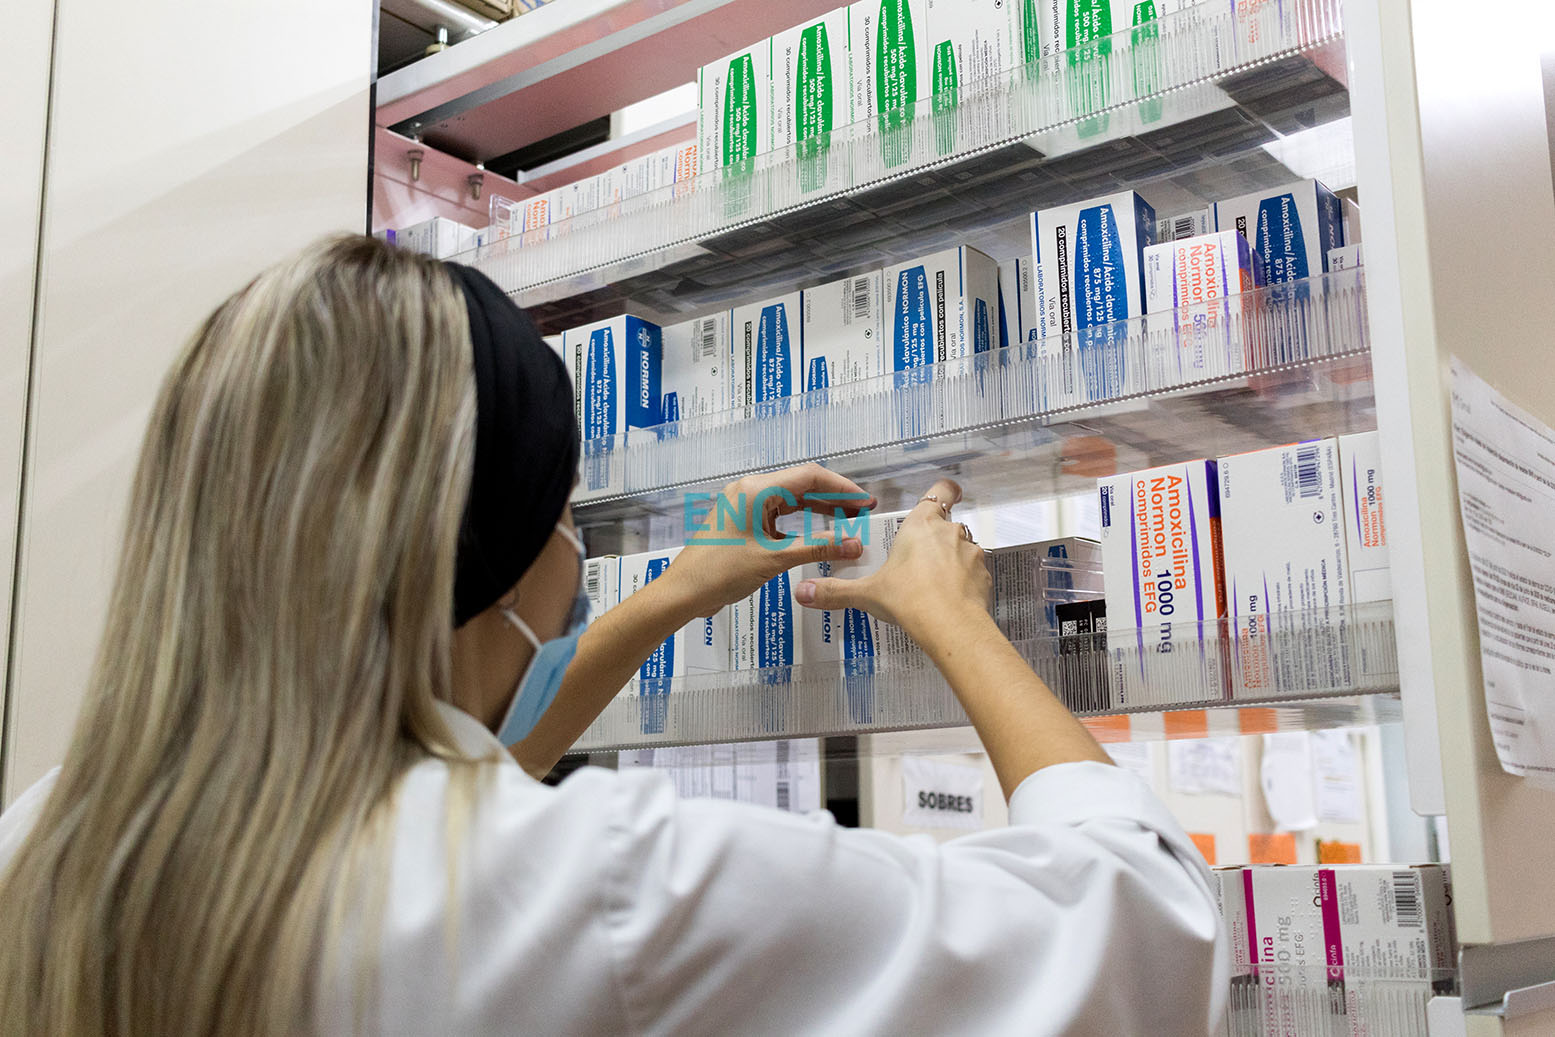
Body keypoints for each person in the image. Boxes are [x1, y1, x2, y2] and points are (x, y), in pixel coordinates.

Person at [0, 236, 1226, 1036]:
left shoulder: (50, 841)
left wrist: (666, 599)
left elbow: (420, 800)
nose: (573, 551)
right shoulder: (611, 881)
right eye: (563, 509)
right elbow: (1139, 931)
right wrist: (960, 619)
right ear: (489, 553)